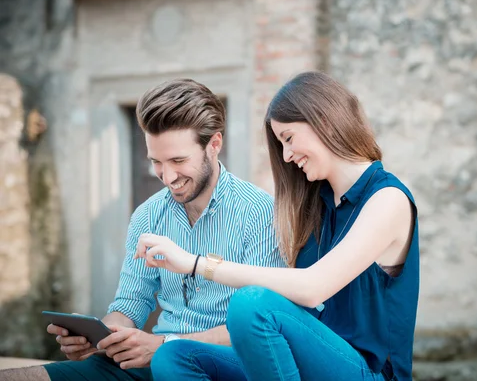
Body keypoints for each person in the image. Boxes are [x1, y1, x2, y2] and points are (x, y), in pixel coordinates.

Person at [142, 71, 420, 381]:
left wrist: (195, 264)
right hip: (309, 363)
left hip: (368, 374)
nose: (286, 156)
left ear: (323, 121)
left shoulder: (388, 199)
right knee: (175, 356)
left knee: (251, 305)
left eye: (288, 138)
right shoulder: (319, 204)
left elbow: (313, 288)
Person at [0, 79, 284, 381]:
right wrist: (103, 337)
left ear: (214, 145)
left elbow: (262, 325)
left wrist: (163, 345)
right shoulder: (147, 216)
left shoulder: (259, 213)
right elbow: (128, 306)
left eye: (178, 160)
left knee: (170, 362)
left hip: (231, 365)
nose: (167, 176)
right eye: (156, 162)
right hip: (157, 362)